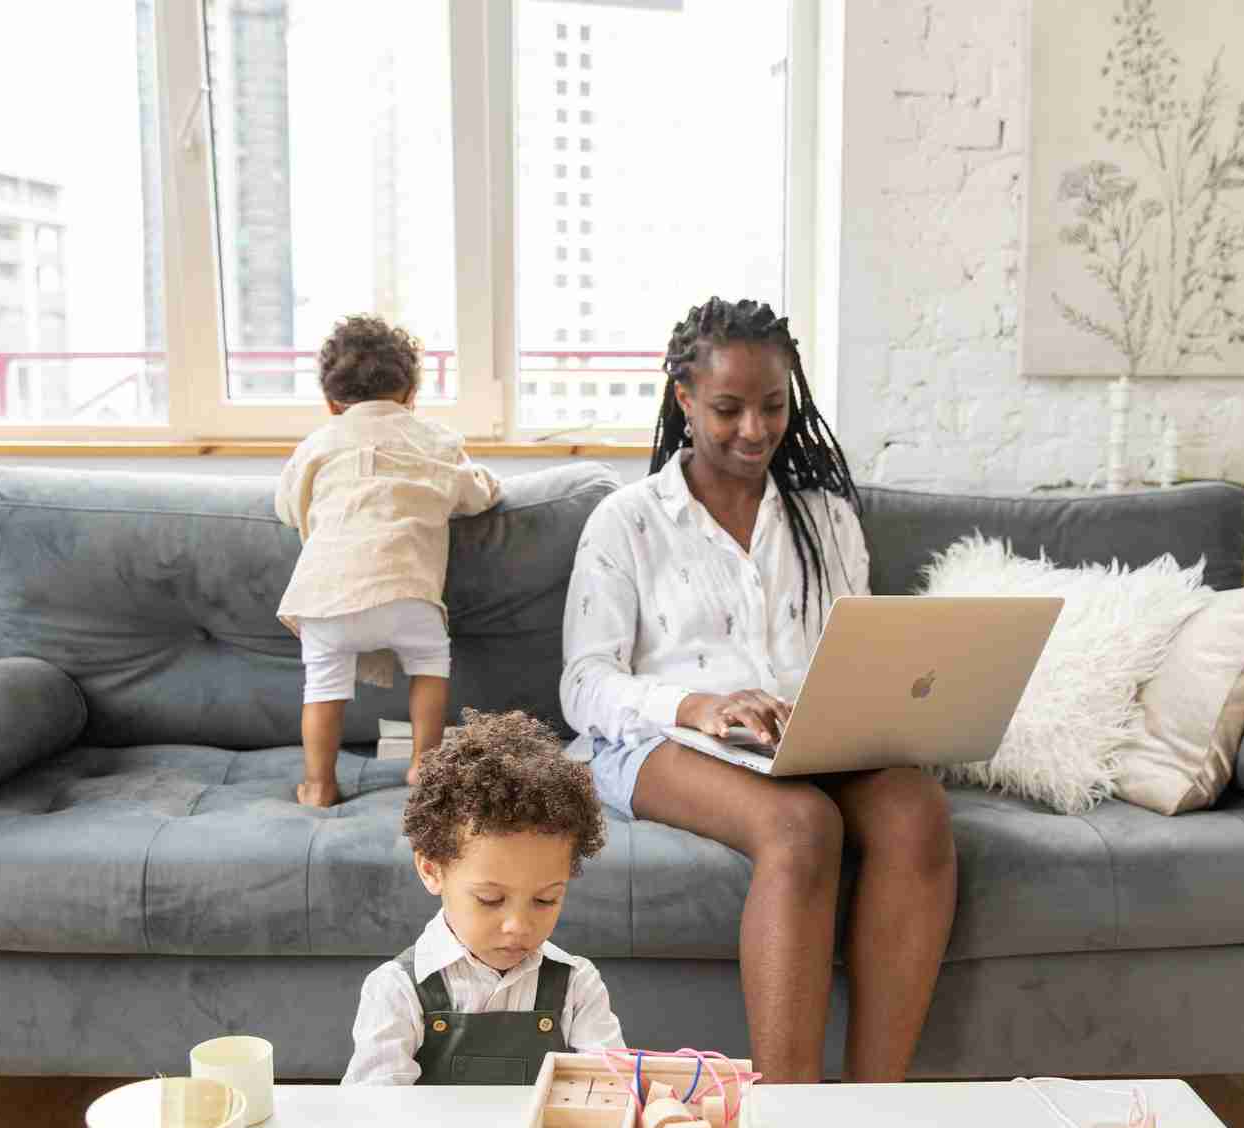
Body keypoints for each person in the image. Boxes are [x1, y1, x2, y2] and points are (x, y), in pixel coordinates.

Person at [560, 296, 958, 1084]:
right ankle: (789, 1109)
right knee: (802, 826)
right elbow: (583, 683)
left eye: (773, 406)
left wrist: (870, 707)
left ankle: (878, 1102)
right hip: (659, 741)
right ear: (684, 400)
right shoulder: (627, 521)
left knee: (916, 810)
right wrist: (696, 706)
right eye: (728, 408)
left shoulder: (825, 520)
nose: (754, 430)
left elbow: (861, 651)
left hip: (807, 737)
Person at [275, 315, 503, 806]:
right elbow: (476, 493)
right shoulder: (436, 441)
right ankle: (424, 762)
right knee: (428, 660)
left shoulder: (317, 444)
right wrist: (487, 481)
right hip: (406, 592)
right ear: (410, 394)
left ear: (332, 402)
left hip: (325, 597)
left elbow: (288, 505)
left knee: (322, 683)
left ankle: (318, 784)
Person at [342, 710, 625, 1085]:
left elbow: (612, 1090)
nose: (519, 926)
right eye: (490, 899)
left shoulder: (577, 986)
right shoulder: (396, 991)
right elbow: (372, 1116)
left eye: (545, 900)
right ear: (431, 870)